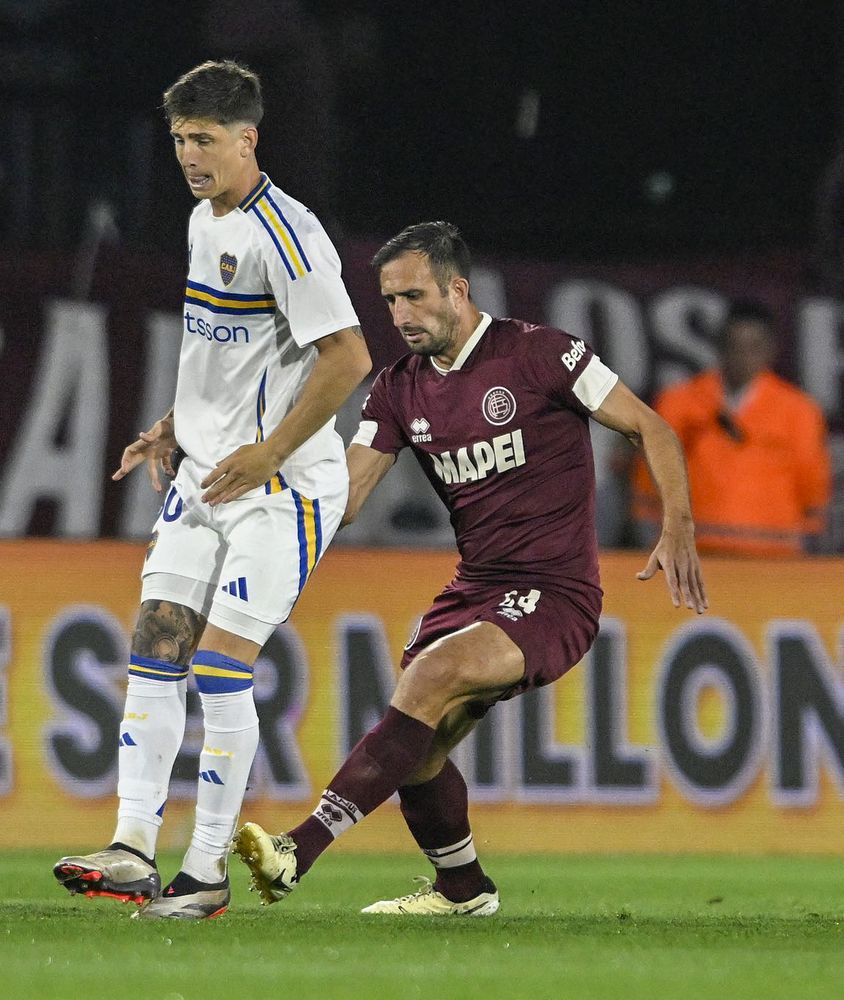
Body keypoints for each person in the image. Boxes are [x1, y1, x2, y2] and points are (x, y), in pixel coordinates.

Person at [232, 221, 707, 916]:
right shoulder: (397, 390)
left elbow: (651, 427)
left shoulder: (545, 354)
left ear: (457, 289)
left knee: (429, 678)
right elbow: (349, 492)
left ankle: (295, 852)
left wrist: (678, 525)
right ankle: (463, 889)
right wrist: (265, 526)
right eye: (389, 301)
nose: (401, 316)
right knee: (419, 745)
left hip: (556, 593)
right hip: (475, 590)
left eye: (415, 297)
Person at [52, 59, 373, 920]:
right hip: (203, 475)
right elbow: (225, 360)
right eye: (180, 140)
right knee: (156, 643)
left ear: (248, 139)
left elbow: (350, 359)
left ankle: (205, 874)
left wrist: (268, 452)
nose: (191, 156)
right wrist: (173, 423)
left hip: (284, 489)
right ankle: (130, 848)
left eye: (205, 140)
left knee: (222, 666)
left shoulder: (289, 233)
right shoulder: (204, 221)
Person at [631, 300, 831, 556]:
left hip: (774, 552)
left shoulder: (798, 410)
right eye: (734, 346)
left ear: (770, 350)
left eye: (753, 348)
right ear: (720, 347)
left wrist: (811, 537)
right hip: (692, 549)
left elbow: (812, 483)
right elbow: (650, 472)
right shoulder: (679, 402)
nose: (742, 357)